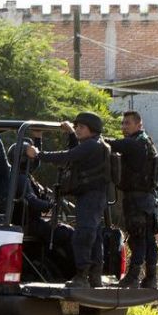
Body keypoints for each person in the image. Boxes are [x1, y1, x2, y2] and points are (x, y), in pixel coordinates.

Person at [27, 112, 110, 288]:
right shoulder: (94, 145)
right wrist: (71, 134)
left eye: (81, 127)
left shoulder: (92, 145)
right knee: (94, 237)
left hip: (91, 197)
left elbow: (67, 156)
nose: (78, 129)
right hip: (92, 197)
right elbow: (75, 154)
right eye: (77, 127)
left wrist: (39, 154)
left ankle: (82, 276)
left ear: (92, 129)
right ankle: (94, 277)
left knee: (83, 236)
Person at [106, 111, 158, 289]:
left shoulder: (134, 143)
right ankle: (151, 278)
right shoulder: (146, 142)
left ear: (139, 124)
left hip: (137, 200)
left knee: (138, 239)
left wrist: (92, 137)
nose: (124, 127)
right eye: (123, 123)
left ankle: (133, 277)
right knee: (148, 239)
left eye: (127, 123)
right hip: (148, 199)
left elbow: (110, 144)